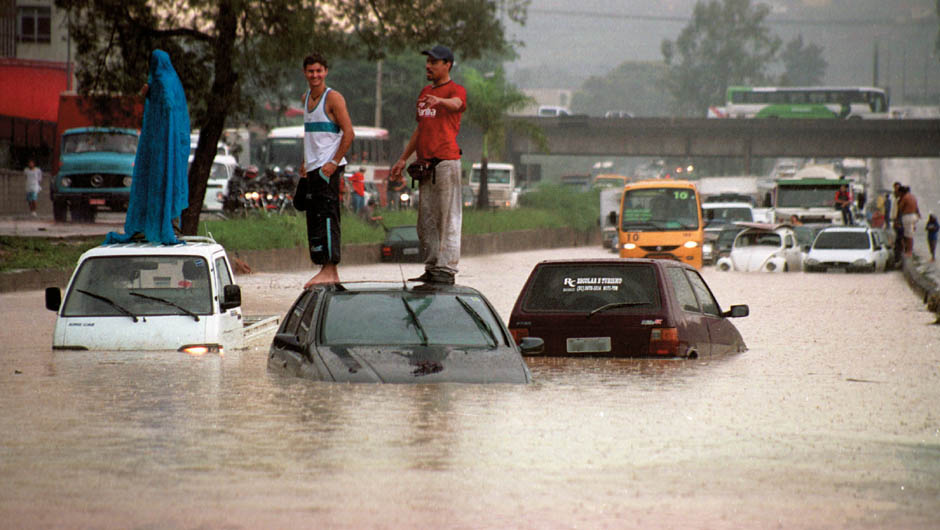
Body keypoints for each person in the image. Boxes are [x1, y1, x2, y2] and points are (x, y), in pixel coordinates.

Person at [390, 45, 467, 285]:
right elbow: (421, 129)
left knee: (448, 217)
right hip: (425, 165)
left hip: (446, 162)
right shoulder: (424, 92)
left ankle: (446, 268)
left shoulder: (455, 90)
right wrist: (403, 158)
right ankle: (432, 266)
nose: (428, 66)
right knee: (426, 220)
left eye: (434, 62)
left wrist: (440, 101)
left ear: (447, 65)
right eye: (428, 62)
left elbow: (457, 104)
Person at [104, 49, 189, 245]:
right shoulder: (171, 80)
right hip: (165, 145)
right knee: (165, 182)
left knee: (160, 181)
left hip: (161, 145)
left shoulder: (162, 81)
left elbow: (166, 105)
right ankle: (165, 224)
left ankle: (160, 225)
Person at [292, 52, 354, 287]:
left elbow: (349, 133)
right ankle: (324, 268)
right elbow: (311, 135)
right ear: (305, 73)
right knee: (311, 213)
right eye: (311, 71)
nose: (315, 75)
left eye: (319, 71)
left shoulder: (333, 98)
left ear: (326, 71)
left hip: (328, 168)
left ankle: (330, 267)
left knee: (328, 216)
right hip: (312, 167)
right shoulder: (305, 97)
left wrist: (334, 162)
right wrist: (305, 161)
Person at [897, 185, 920, 258]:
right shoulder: (913, 197)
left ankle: (909, 251)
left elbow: (900, 208)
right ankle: (909, 250)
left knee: (908, 235)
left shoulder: (905, 198)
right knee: (910, 234)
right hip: (914, 216)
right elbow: (917, 208)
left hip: (908, 216)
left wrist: (897, 220)